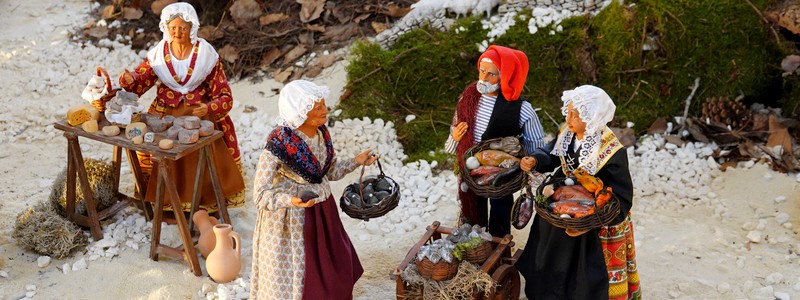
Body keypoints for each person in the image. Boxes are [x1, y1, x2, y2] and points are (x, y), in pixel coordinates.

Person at [108, 2, 245, 213]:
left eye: (183, 27)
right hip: (165, 112)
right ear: (166, 28)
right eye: (173, 27)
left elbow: (224, 94)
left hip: (197, 113)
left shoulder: (206, 54)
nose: (177, 32)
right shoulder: (158, 54)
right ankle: (165, 202)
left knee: (200, 151)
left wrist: (209, 107)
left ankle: (204, 201)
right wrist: (129, 79)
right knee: (159, 148)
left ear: (192, 28)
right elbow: (143, 77)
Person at [250, 80, 378, 299]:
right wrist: (291, 200)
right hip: (292, 219)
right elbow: (260, 195)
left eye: (323, 105)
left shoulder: (322, 134)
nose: (324, 110)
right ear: (300, 112)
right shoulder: (279, 144)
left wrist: (357, 161)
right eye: (317, 107)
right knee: (300, 270)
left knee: (334, 261)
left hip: (324, 212)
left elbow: (329, 172)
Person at [516, 85, 641, 299]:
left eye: (575, 114)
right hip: (562, 201)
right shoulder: (568, 134)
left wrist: (593, 219)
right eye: (568, 112)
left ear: (592, 116)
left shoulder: (611, 151)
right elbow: (553, 153)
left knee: (583, 265)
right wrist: (536, 159)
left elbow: (622, 197)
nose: (569, 118)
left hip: (593, 216)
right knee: (549, 242)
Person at [444, 45, 546, 237]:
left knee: (501, 208)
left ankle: (499, 246)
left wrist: (532, 162)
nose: (483, 78)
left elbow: (535, 142)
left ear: (505, 76)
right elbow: (455, 127)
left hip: (501, 170)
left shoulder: (520, 108)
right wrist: (455, 138)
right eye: (482, 71)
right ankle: (476, 245)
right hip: (470, 169)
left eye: (491, 74)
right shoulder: (468, 98)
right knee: (472, 209)